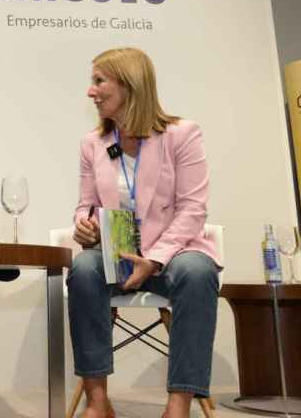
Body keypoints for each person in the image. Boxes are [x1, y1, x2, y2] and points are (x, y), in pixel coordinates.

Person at [69, 47, 221, 418]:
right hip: (119, 256)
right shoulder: (94, 143)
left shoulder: (181, 134)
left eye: (99, 81)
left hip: (173, 255)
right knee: (84, 269)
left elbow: (192, 209)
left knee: (198, 271)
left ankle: (178, 404)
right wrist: (85, 225)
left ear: (129, 85)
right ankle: (98, 401)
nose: (91, 91)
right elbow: (85, 203)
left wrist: (154, 260)